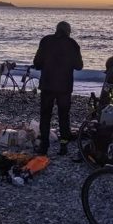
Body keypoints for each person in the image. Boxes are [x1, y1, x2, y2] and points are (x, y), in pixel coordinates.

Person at [33, 21, 83, 156]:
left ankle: (44, 146)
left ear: (56, 29)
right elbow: (79, 66)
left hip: (47, 85)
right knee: (64, 117)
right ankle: (63, 146)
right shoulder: (72, 44)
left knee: (45, 116)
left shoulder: (45, 41)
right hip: (64, 87)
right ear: (68, 31)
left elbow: (37, 63)